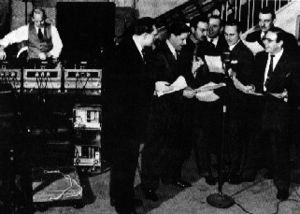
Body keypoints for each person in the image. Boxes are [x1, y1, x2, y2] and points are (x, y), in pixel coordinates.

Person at [104, 17, 157, 214]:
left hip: (126, 118)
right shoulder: (126, 53)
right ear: (144, 35)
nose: (155, 38)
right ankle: (123, 206)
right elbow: (126, 90)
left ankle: (120, 197)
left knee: (125, 164)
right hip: (124, 120)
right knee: (124, 165)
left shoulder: (132, 49)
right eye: (153, 34)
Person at [141, 21, 192, 202]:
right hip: (159, 109)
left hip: (177, 107)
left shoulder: (184, 51)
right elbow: (159, 85)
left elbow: (184, 74)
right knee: (154, 148)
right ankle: (148, 185)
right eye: (182, 39)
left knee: (175, 144)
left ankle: (171, 176)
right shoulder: (157, 54)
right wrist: (181, 88)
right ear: (171, 35)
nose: (185, 43)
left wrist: (190, 76)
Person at [247, 27, 300, 200]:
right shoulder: (261, 57)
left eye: (270, 40)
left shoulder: (293, 61)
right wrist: (252, 87)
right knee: (257, 142)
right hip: (260, 107)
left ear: (280, 43)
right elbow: (256, 79)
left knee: (280, 150)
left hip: (280, 112)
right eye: (265, 40)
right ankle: (255, 171)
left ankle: (283, 186)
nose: (265, 43)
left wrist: (287, 95)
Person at [223, 20, 255, 184]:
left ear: (240, 33)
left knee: (237, 138)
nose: (228, 38)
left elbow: (248, 82)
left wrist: (235, 76)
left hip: (239, 103)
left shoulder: (245, 53)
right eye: (226, 34)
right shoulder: (223, 49)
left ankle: (235, 171)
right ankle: (228, 166)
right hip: (224, 100)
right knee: (227, 136)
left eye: (232, 34)